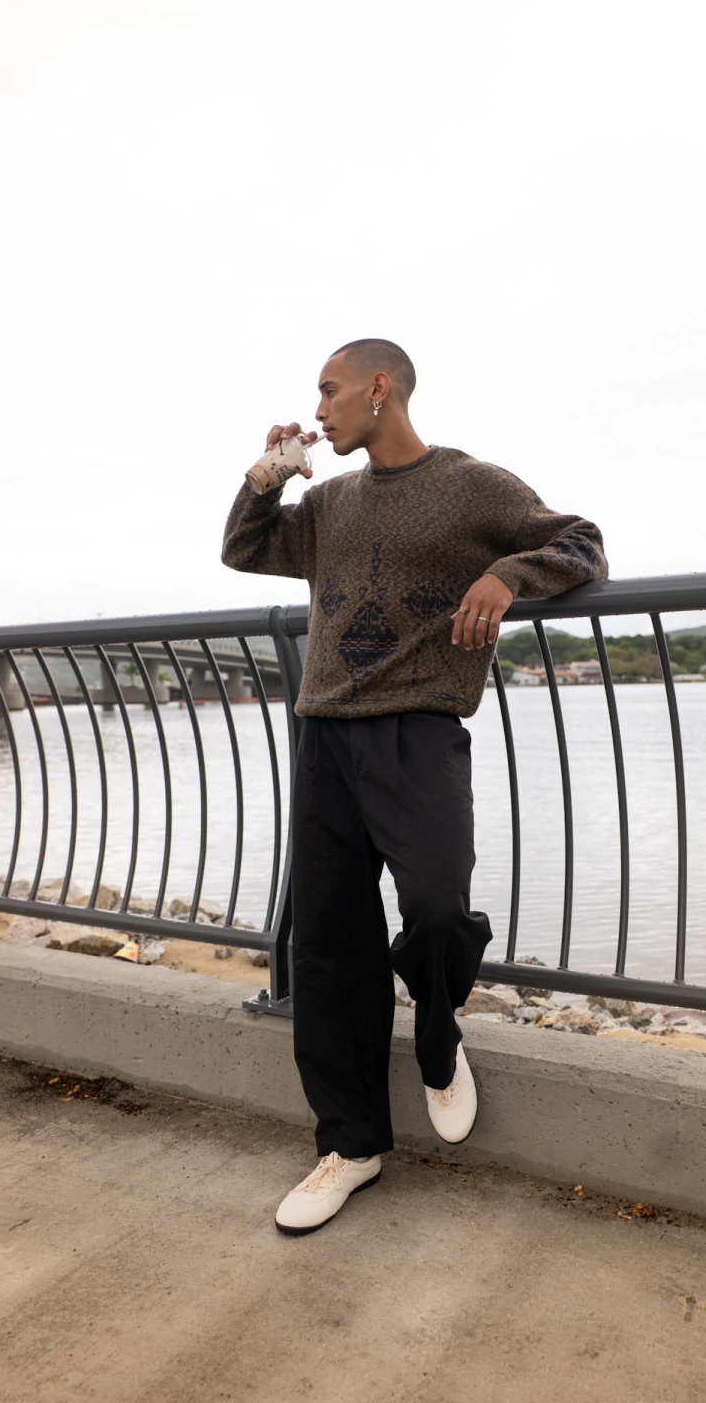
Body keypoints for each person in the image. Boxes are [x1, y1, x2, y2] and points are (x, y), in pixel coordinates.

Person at [222, 339, 606, 1235]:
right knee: (329, 945)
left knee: (436, 907)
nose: (319, 410)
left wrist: (507, 575)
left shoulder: (472, 487)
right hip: (326, 736)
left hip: (420, 732)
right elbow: (244, 548)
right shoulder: (327, 502)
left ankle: (437, 1038)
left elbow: (581, 541)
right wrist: (265, 477)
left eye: (329, 392)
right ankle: (349, 1145)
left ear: (379, 388)